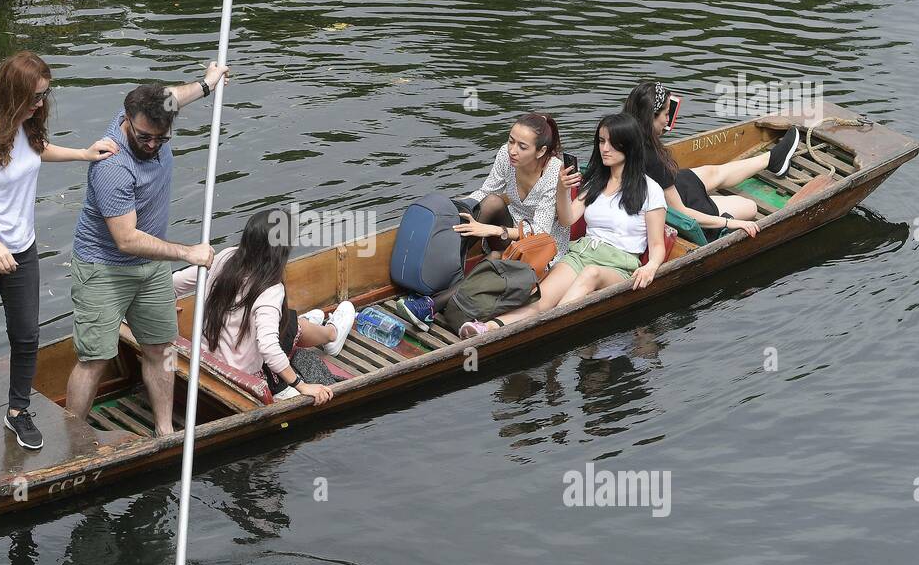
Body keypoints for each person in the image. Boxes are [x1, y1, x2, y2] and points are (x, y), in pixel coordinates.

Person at [0, 51, 120, 461]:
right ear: (14, 93)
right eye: (35, 95)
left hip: (21, 246)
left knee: (26, 335)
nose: (41, 103)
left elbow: (38, 150)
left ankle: (17, 411)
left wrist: (84, 154)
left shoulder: (27, 122)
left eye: (45, 94)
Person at [64, 62, 230, 433]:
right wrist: (188, 253)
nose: (152, 145)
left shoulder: (155, 113)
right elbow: (126, 240)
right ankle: (71, 442)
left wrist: (206, 84)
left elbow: (174, 95)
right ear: (127, 120)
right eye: (144, 137)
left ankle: (164, 431)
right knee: (96, 358)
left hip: (151, 267)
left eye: (161, 139)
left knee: (162, 348)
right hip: (104, 269)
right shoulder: (112, 164)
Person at [460, 111, 667, 337]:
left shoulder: (650, 190)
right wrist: (562, 188)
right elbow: (568, 219)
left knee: (591, 273)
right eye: (601, 141)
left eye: (613, 143)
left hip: (619, 265)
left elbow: (657, 245)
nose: (605, 148)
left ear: (630, 146)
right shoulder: (595, 183)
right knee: (541, 299)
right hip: (580, 253)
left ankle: (550, 329)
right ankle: (488, 327)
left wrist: (651, 266)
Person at [394, 112, 570, 329]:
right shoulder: (506, 156)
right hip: (510, 226)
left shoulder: (553, 171)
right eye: (510, 141)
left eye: (522, 147)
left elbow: (541, 230)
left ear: (541, 151)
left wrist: (493, 231)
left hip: (541, 246)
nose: (513, 150)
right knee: (492, 202)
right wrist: (453, 208)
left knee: (496, 255)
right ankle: (448, 271)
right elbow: (486, 191)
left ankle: (432, 304)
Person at [171, 208, 357, 404]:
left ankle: (314, 325)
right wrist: (301, 385)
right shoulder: (270, 290)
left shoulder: (226, 257)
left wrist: (168, 308)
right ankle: (331, 335)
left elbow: (172, 283)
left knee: (286, 320)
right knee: (290, 324)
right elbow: (268, 347)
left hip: (207, 362)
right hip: (242, 378)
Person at [624, 80, 799, 241]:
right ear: (650, 116)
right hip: (675, 209)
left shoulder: (624, 135)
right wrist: (729, 223)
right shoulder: (653, 160)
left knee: (713, 172)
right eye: (665, 114)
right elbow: (682, 213)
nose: (668, 120)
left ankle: (771, 159)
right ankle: (770, 162)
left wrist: (659, 126)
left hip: (669, 189)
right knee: (750, 207)